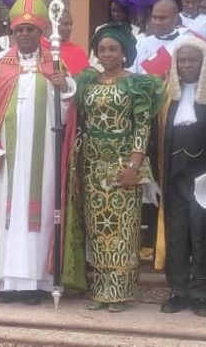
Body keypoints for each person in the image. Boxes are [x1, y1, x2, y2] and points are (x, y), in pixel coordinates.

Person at [0, 0, 75, 305]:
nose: (25, 34)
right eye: (19, 30)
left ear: (41, 33)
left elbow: (68, 109)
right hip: (9, 158)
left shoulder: (55, 64)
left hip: (44, 155)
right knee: (8, 216)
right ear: (12, 33)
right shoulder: (1, 68)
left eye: (31, 30)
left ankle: (37, 282)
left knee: (37, 215)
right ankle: (7, 284)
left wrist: (64, 87)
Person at [64, 23, 163, 312]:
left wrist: (134, 164)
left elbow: (142, 128)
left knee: (122, 229)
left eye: (112, 49)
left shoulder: (136, 83)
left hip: (122, 163)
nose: (106, 54)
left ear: (124, 53)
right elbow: (80, 124)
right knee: (97, 229)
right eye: (101, 49)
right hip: (93, 163)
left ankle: (119, 291)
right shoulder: (88, 82)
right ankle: (100, 289)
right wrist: (77, 169)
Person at [153, 36, 206, 317]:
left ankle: (201, 292)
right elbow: (154, 134)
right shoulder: (166, 93)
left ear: (203, 62)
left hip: (204, 173)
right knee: (176, 230)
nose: (188, 64)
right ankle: (178, 290)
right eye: (182, 60)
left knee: (202, 229)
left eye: (193, 59)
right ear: (175, 63)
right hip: (172, 171)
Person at [132, 0, 205, 77]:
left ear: (176, 18)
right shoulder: (141, 43)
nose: (157, 22)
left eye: (162, 18)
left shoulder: (189, 42)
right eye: (154, 17)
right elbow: (132, 73)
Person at [40, 9, 89, 74]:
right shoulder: (36, 47)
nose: (70, 28)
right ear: (51, 23)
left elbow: (86, 80)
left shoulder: (77, 52)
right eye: (65, 24)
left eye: (71, 25)